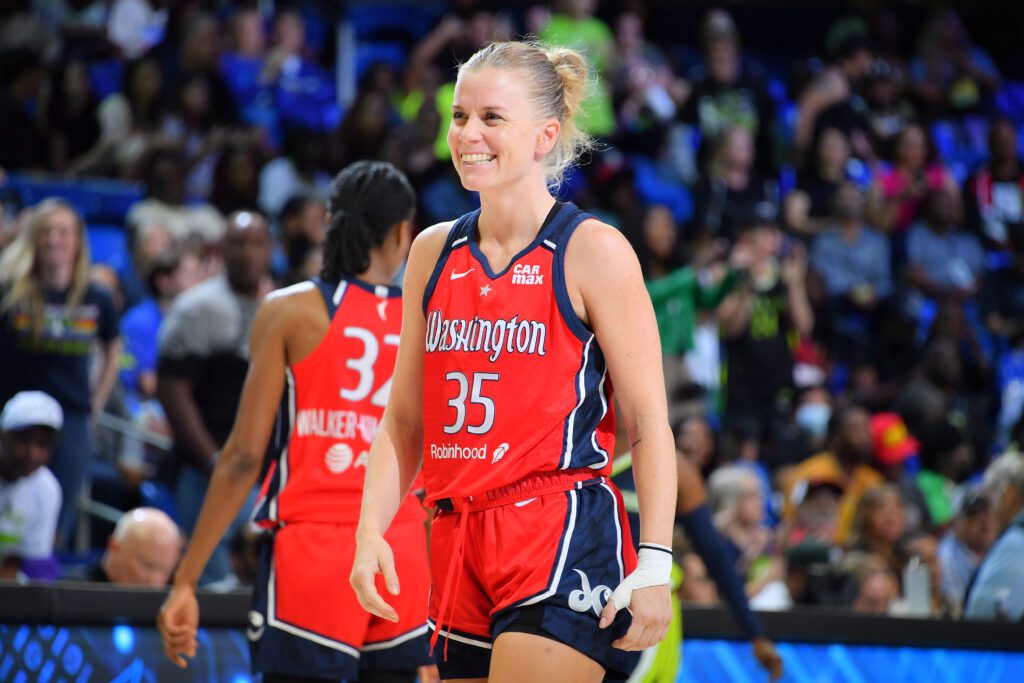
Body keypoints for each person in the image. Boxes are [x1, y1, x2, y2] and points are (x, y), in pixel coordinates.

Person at [349, 40, 677, 683]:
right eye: (460, 116)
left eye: (491, 118)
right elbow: (404, 419)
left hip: (557, 529)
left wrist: (657, 562)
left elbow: (647, 420)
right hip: (453, 535)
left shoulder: (592, 249)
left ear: (543, 136)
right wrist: (368, 533)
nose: (468, 133)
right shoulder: (430, 251)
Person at [159, 161, 434, 683]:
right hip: (401, 553)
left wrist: (186, 581)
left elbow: (242, 456)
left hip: (314, 557)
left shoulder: (288, 310)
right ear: (403, 231)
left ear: (329, 223)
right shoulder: (428, 317)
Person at [156, 210, 271, 586]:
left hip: (261, 472)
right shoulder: (196, 307)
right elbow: (173, 390)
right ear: (222, 249)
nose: (247, 254)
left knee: (257, 579)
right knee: (209, 579)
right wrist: (211, 459)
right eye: (238, 244)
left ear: (268, 250)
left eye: (256, 244)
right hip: (207, 470)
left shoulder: (283, 305)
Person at [0, 199, 121, 547]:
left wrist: (95, 401)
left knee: (58, 521)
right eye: (46, 231)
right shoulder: (10, 290)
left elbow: (112, 347)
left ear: (78, 240)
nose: (55, 239)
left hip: (71, 417)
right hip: (14, 417)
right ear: (34, 239)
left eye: (63, 232)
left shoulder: (96, 295)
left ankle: (44, 581)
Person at [0, 391, 63, 581]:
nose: (32, 453)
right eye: (24, 441)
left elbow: (16, 560)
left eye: (42, 444)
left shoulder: (48, 490)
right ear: (3, 435)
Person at [964, 450, 1024, 620]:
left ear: (1008, 495)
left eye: (990, 502)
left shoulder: (1015, 543)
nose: (991, 515)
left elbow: (979, 622)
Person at [90, 507, 182, 586]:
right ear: (114, 548)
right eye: (148, 565)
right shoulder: (77, 593)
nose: (155, 581)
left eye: (165, 570)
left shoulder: (174, 598)